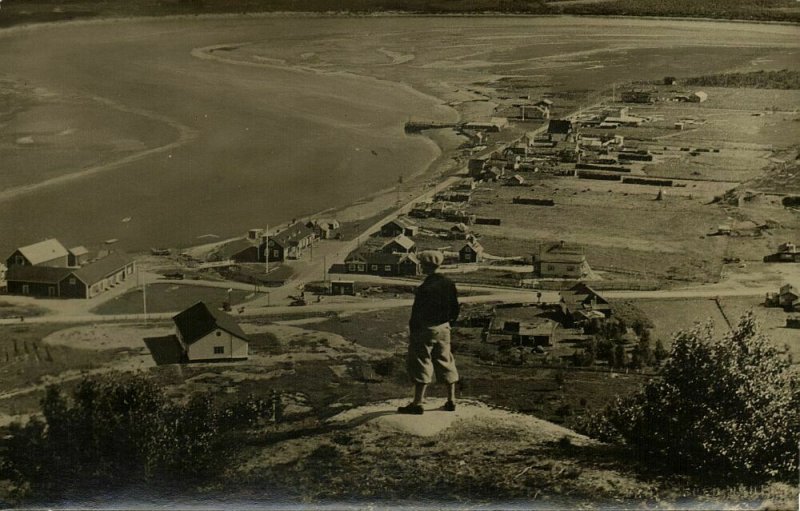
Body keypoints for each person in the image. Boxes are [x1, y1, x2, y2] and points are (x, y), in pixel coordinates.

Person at [398, 250, 460, 415]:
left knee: (421, 361)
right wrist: (449, 323)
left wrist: (415, 330)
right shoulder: (449, 283)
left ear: (425, 266)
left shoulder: (425, 287)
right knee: (446, 360)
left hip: (426, 328)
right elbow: (455, 307)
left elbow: (417, 313)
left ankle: (417, 403)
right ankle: (451, 400)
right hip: (444, 327)